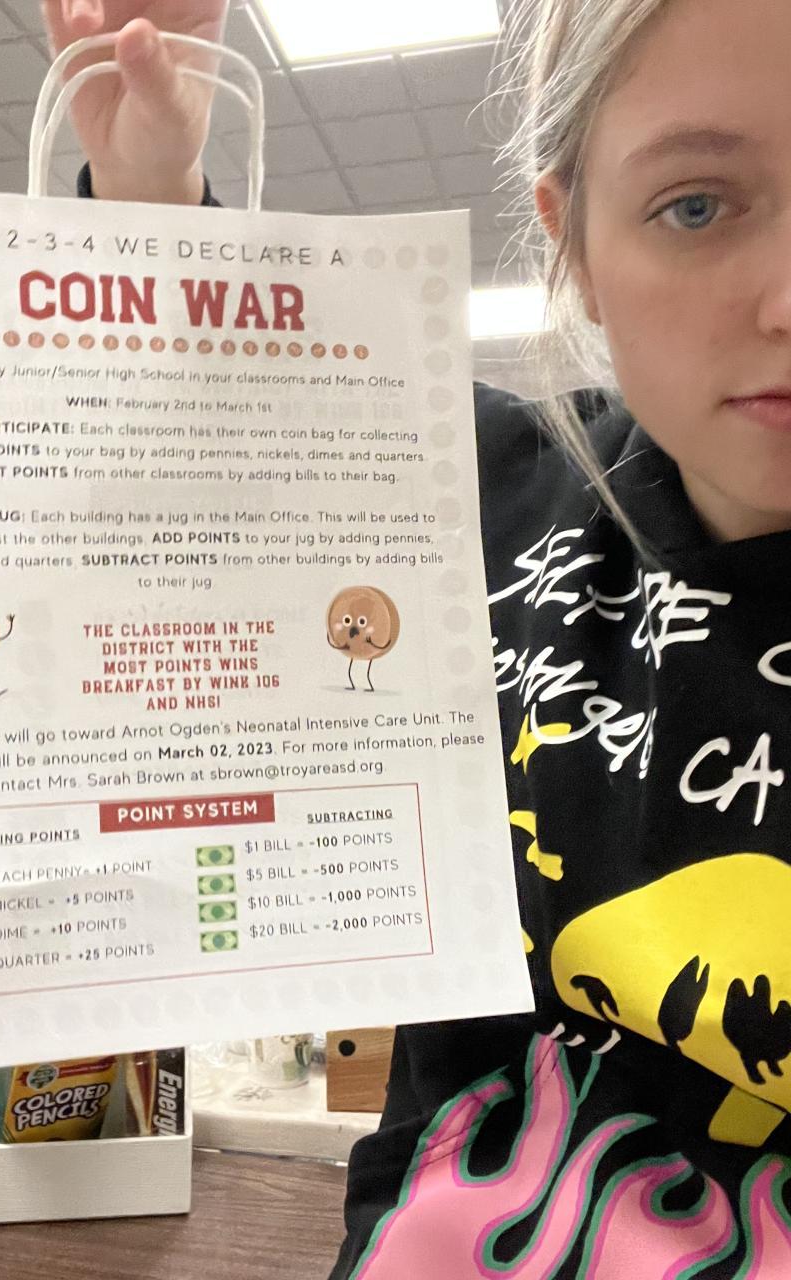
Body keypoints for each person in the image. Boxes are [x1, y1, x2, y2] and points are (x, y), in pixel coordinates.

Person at [44, 1, 791, 1274]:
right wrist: (152, 176)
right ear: (575, 246)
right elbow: (232, 413)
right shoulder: (481, 493)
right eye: (696, 205)